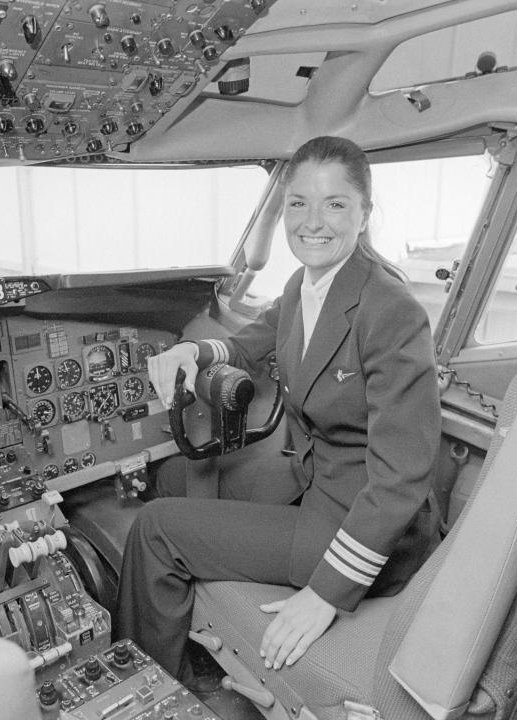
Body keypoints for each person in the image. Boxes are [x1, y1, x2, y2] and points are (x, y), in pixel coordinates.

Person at [116, 135, 441, 682]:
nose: (312, 221)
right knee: (174, 475)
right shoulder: (306, 285)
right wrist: (190, 350)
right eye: (298, 203)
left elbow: (402, 479)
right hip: (319, 479)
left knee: (155, 529)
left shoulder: (391, 311)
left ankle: (147, 688)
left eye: (335, 203)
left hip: (365, 527)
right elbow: (246, 343)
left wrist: (327, 594)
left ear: (364, 213)